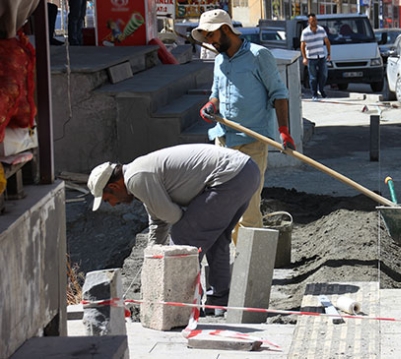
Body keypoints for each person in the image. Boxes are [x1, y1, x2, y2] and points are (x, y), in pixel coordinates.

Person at [87, 144, 260, 317]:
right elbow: (158, 221)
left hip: (230, 177)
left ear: (115, 187)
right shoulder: (138, 172)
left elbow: (172, 216)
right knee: (216, 239)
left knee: (182, 239)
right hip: (246, 172)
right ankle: (219, 301)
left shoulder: (136, 179)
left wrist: (167, 255)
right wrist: (151, 258)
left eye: (108, 198)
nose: (112, 204)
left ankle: (182, 307)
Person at [191, 9, 295, 240]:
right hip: (224, 141)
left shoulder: (259, 56)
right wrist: (210, 106)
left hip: (251, 142)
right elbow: (216, 94)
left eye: (211, 35)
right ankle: (234, 259)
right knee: (223, 204)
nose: (209, 42)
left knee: (247, 205)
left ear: (226, 29)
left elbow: (279, 93)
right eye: (206, 37)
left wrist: (284, 131)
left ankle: (253, 265)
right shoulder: (219, 61)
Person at [300, 13, 331, 101]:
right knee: (313, 77)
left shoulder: (321, 30)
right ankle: (314, 94)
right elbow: (302, 45)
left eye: (315, 20)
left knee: (324, 74)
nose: (315, 22)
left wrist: (329, 54)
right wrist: (304, 57)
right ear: (309, 21)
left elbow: (327, 41)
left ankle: (321, 89)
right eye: (313, 20)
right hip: (311, 57)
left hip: (321, 56)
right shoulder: (305, 32)